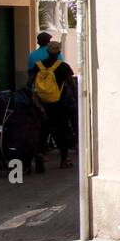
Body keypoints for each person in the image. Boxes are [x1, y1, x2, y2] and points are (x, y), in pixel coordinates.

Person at [28, 40, 76, 169]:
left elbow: (29, 83)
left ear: (47, 51)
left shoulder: (38, 65)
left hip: (42, 105)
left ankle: (39, 154)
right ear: (59, 52)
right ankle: (64, 160)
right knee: (61, 132)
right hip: (58, 105)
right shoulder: (63, 67)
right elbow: (72, 85)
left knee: (43, 131)